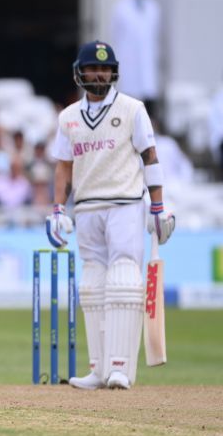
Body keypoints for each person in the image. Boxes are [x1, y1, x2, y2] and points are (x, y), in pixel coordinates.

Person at [46, 41, 176, 390]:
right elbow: (63, 168)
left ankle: (121, 367)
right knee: (93, 284)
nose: (99, 73)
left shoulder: (133, 109)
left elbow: (150, 158)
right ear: (81, 72)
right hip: (87, 206)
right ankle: (99, 369)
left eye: (105, 68)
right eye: (92, 68)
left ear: (113, 71)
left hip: (124, 203)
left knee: (122, 278)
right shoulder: (69, 117)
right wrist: (58, 210)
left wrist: (158, 206)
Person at [111, 0, 161, 119]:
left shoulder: (153, 7)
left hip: (147, 58)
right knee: (128, 94)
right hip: (128, 57)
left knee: (148, 92)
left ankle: (150, 123)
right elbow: (115, 32)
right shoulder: (121, 7)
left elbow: (155, 32)